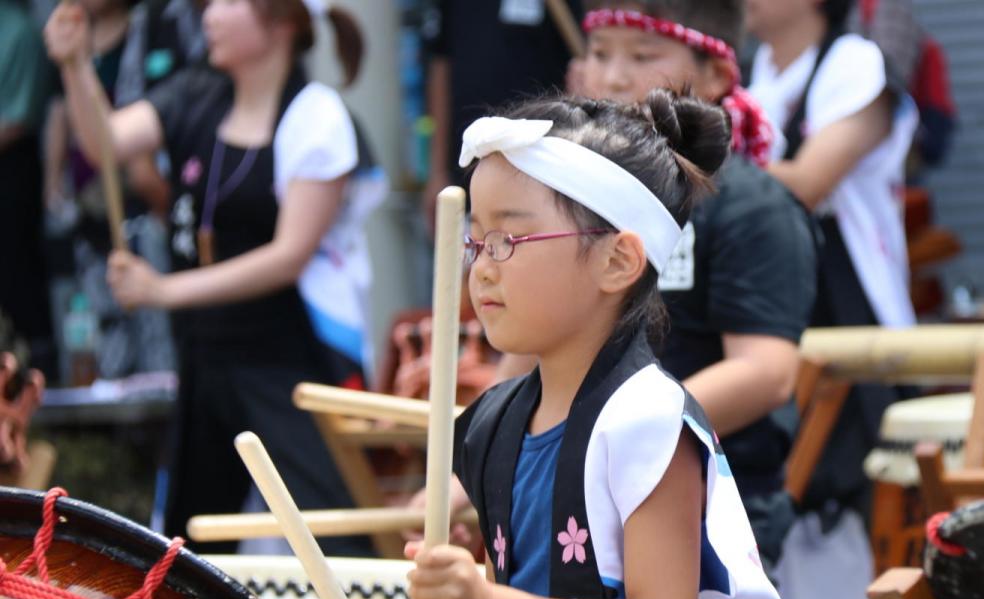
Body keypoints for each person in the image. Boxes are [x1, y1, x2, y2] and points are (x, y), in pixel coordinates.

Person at [371, 91, 784, 599]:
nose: (483, 266)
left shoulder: (646, 418)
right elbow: (513, 591)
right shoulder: (496, 419)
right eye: (476, 238)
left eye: (512, 238)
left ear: (618, 261)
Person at [578, 5, 827, 599]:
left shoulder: (751, 206)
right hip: (587, 495)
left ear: (720, 75)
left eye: (641, 54)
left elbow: (766, 371)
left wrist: (616, 432)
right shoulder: (582, 205)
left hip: (714, 503)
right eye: (598, 53)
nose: (611, 76)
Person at [43, 0, 382, 551]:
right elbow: (104, 142)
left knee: (334, 536)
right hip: (204, 354)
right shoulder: (196, 92)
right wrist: (76, 66)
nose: (209, 15)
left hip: (288, 362)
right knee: (190, 551)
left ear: (283, 22)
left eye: (228, 2)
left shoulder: (316, 115)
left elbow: (288, 254)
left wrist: (163, 290)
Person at [747, 0, 917, 516]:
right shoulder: (757, 71)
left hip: (847, 298)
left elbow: (805, 185)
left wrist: (684, 161)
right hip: (770, 298)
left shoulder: (856, 63)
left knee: (856, 488)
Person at [421, 0, 582, 230]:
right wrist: (437, 171)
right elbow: (440, 67)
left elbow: (581, 63)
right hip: (466, 165)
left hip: (541, 166)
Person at [0, 0, 56, 378]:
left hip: (11, 174)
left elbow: (18, 118)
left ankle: (31, 376)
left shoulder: (17, 29)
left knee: (15, 274)